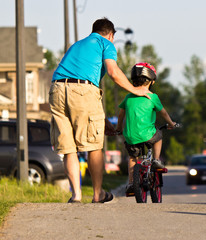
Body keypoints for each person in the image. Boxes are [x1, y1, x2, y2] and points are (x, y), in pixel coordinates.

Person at [49, 18, 151, 203]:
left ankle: (76, 196)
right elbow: (112, 72)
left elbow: (78, 97)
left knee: (69, 147)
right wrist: (136, 90)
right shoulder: (106, 44)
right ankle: (97, 195)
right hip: (82, 90)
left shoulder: (77, 45)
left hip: (56, 89)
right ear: (111, 35)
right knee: (94, 146)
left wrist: (102, 121)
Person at [114, 62, 176, 194]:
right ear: (151, 81)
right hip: (148, 135)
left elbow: (120, 116)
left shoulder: (128, 97)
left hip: (130, 136)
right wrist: (171, 124)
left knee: (133, 158)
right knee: (158, 135)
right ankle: (156, 160)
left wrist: (119, 128)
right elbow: (163, 113)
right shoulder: (152, 97)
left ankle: (131, 183)